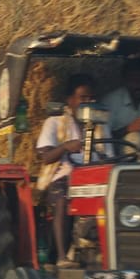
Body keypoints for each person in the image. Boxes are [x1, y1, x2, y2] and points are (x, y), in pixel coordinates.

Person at [36, 73, 109, 268]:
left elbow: (109, 156)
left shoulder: (101, 125)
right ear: (70, 100)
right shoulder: (55, 122)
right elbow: (46, 157)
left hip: (95, 177)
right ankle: (61, 256)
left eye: (91, 98)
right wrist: (66, 147)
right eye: (82, 98)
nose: (87, 103)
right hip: (64, 177)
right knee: (62, 199)